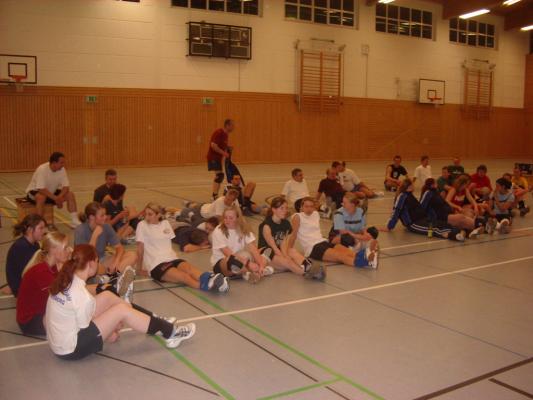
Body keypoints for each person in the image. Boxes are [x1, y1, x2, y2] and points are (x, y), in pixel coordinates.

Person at [46, 244, 196, 359]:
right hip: (71, 350)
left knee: (108, 296)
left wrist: (110, 323)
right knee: (121, 310)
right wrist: (110, 330)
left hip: (60, 342)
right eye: (97, 261)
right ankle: (171, 333)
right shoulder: (81, 295)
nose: (98, 265)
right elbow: (85, 328)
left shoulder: (66, 281)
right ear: (91, 264)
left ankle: (156, 320)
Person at [136, 202, 229, 292]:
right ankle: (207, 286)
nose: (147, 217)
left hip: (172, 258)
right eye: (146, 214)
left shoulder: (165, 224)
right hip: (156, 265)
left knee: (189, 269)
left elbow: (166, 244)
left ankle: (212, 279)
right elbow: (140, 249)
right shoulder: (142, 225)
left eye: (150, 214)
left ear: (158, 215)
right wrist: (139, 269)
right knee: (184, 277)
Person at [290, 197, 378, 269]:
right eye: (306, 206)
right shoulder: (297, 217)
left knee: (348, 252)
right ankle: (365, 261)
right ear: (301, 207)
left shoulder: (315, 214)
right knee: (341, 256)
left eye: (311, 206)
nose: (309, 209)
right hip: (313, 248)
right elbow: (293, 235)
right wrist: (289, 250)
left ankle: (367, 258)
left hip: (324, 242)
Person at [257, 197, 325, 280]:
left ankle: (308, 266)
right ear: (274, 210)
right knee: (287, 262)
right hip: (266, 253)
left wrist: (286, 254)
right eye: (281, 208)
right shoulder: (266, 225)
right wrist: (285, 257)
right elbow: (273, 247)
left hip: (277, 250)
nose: (285, 211)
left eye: (286, 208)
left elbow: (283, 243)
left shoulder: (285, 223)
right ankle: (305, 273)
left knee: (292, 251)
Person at [16, 232, 70, 335]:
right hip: (30, 322)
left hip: (43, 313)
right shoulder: (41, 271)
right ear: (53, 250)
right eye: (65, 248)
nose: (69, 251)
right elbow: (63, 297)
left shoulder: (53, 267)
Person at [382, 179, 465, 241]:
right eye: (412, 185)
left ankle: (460, 232)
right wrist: (389, 227)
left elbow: (420, 208)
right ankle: (454, 236)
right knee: (433, 230)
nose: (414, 186)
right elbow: (396, 211)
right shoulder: (402, 196)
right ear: (409, 187)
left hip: (423, 219)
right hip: (413, 223)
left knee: (441, 224)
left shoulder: (410, 195)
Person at [211, 205, 274, 283]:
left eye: (231, 218)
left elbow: (253, 248)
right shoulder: (218, 230)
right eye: (225, 217)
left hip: (240, 258)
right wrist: (248, 263)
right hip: (223, 263)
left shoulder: (243, 228)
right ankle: (249, 272)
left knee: (267, 250)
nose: (227, 220)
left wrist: (261, 265)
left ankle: (258, 271)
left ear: (238, 218)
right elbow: (228, 253)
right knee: (234, 260)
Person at [74, 202, 137, 275]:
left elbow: (120, 248)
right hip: (86, 262)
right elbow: (87, 256)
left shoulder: (106, 226)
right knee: (94, 266)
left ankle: (113, 276)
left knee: (132, 255)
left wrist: (116, 262)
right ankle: (112, 275)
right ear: (92, 217)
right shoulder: (80, 230)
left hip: (102, 259)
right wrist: (95, 235)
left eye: (105, 214)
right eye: (102, 215)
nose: (105, 217)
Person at [420, 178, 491, 238]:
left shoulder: (465, 190)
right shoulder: (453, 190)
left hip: (454, 210)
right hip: (452, 210)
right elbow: (447, 201)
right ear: (462, 184)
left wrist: (475, 207)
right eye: (466, 184)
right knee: (466, 215)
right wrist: (457, 207)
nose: (467, 186)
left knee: (474, 212)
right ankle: (476, 227)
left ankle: (478, 226)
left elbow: (471, 200)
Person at [25, 152, 81, 228]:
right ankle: (39, 224)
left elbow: (66, 187)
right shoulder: (42, 169)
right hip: (34, 192)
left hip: (51, 192)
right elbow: (41, 189)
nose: (63, 165)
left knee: (70, 194)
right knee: (41, 197)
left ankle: (74, 221)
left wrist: (59, 197)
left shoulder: (62, 169)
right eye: (61, 163)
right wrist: (56, 199)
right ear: (54, 163)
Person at [5, 214, 46, 297]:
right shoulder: (21, 247)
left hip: (27, 281)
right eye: (41, 228)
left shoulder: (35, 244)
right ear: (30, 230)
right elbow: (29, 273)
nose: (44, 231)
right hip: (22, 287)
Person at [207, 119, 234, 200]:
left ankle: (215, 195)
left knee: (220, 176)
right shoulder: (219, 132)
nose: (233, 127)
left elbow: (222, 145)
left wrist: (228, 148)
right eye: (232, 126)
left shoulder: (226, 135)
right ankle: (214, 195)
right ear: (227, 125)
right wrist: (223, 153)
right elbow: (213, 145)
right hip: (213, 157)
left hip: (218, 158)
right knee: (219, 175)